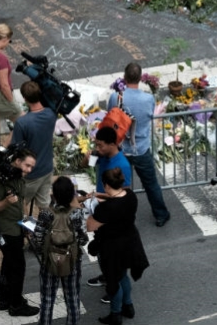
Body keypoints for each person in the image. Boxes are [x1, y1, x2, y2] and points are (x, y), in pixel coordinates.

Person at [109, 63, 171, 227]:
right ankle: (160, 215)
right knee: (151, 184)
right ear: (140, 78)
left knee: (121, 185)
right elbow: (150, 115)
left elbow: (109, 118)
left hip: (120, 149)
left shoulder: (116, 97)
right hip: (141, 148)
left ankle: (122, 217)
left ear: (125, 76)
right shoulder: (148, 98)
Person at [87, 167, 149, 325]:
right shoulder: (130, 196)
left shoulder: (105, 209)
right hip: (129, 243)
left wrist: (91, 206)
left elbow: (91, 226)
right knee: (123, 276)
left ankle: (115, 314)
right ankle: (128, 306)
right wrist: (100, 196)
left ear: (105, 184)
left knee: (113, 280)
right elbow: (116, 199)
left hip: (111, 248)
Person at [0, 148, 40, 316]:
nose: (29, 170)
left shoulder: (18, 177)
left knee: (9, 263)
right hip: (7, 230)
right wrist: (6, 201)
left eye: (32, 167)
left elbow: (22, 201)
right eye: (27, 165)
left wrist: (26, 223)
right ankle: (16, 305)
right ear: (17, 161)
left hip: (17, 227)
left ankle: (5, 298)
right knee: (18, 267)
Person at [33, 176, 88, 325]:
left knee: (47, 300)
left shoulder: (46, 213)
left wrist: (43, 253)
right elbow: (83, 238)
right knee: (72, 298)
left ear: (54, 194)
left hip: (49, 262)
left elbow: (37, 237)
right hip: (72, 262)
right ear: (72, 194)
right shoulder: (77, 213)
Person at [85, 127, 132, 293]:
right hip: (102, 208)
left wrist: (100, 197)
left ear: (112, 144)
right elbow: (85, 165)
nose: (98, 149)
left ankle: (115, 292)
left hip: (112, 215)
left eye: (100, 145)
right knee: (103, 251)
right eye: (96, 145)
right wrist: (87, 158)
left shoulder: (122, 165)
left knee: (112, 255)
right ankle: (107, 277)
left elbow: (123, 196)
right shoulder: (102, 156)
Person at [11, 81, 57, 213]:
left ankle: (26, 230)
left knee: (20, 203)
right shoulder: (51, 114)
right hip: (47, 168)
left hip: (31, 174)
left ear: (25, 99)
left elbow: (17, 151)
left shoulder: (22, 123)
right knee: (44, 205)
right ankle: (47, 228)